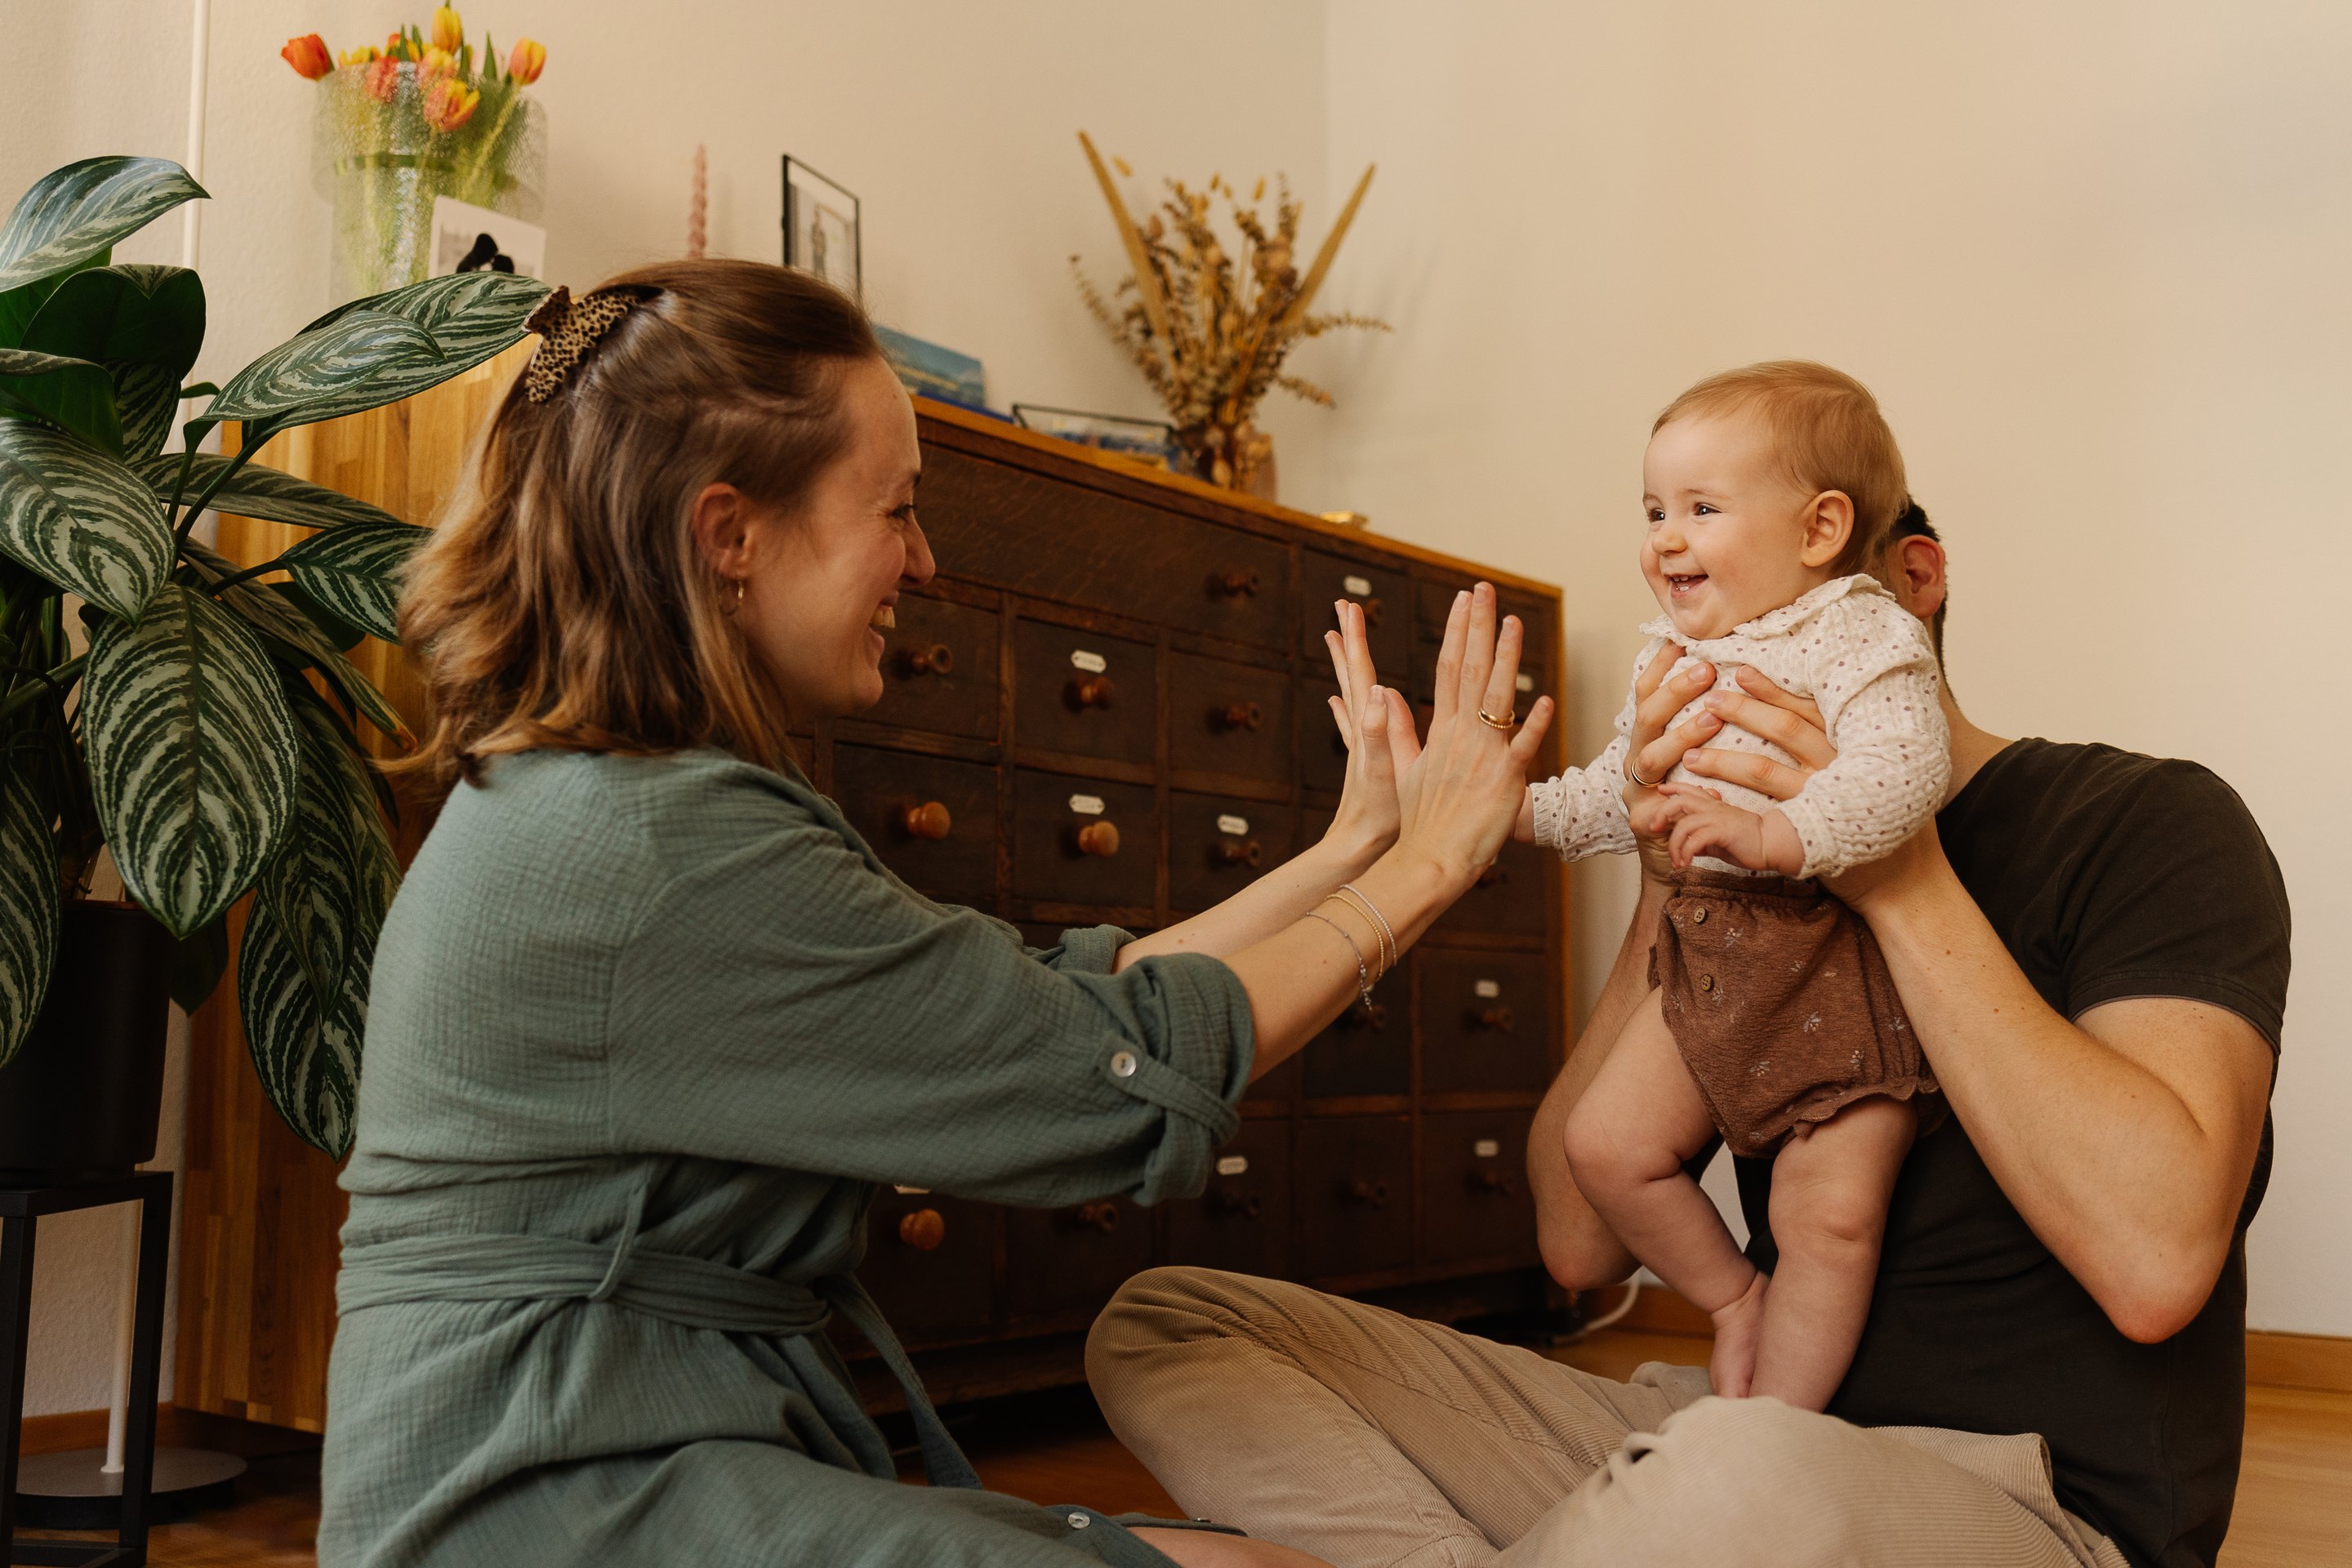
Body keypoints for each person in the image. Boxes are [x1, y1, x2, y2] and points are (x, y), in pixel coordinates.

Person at [313, 257, 1548, 1568]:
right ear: (729, 536)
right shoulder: (661, 844)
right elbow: (1114, 1079)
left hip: (594, 1452)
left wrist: (1360, 847)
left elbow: (1048, 1018)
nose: (926, 557)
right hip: (547, 1497)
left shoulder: (621, 803)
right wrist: (1432, 870)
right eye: (895, 511)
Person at [1088, 503, 2287, 1568]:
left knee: (1727, 1475)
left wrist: (1892, 871)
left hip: (2022, 1508)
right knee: (1169, 1327)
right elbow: (1575, 1243)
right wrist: (1671, 873)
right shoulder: (1738, 882)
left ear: (1910, 582)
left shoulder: (2144, 820)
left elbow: (2156, 1264)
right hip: (1726, 1433)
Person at [1526, 362, 1949, 1408]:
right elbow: (1620, 796)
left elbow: (1905, 772)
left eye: (1702, 509)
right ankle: (1729, 1301)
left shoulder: (1860, 630)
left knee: (1829, 1217)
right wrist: (1503, 812)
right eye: (1655, 510)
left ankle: (1771, 1425)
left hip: (1829, 962)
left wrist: (1780, 835)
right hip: (1715, 953)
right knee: (1606, 1143)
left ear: (1818, 530)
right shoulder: (1673, 655)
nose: (1665, 537)